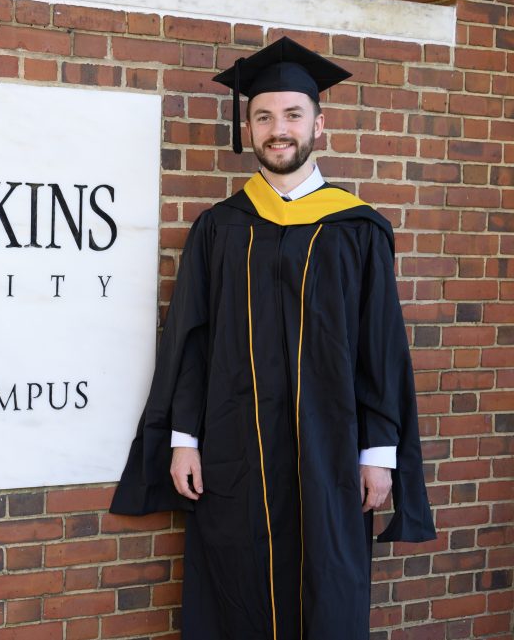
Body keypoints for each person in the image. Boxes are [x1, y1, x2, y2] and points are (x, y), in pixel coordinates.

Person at [110, 37, 435, 640]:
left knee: (329, 588)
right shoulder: (219, 228)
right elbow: (190, 339)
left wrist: (379, 454)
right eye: (264, 116)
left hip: (332, 448)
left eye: (291, 114)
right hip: (235, 448)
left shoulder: (358, 229)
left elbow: (381, 349)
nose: (277, 129)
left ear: (318, 122)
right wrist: (184, 440)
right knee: (237, 586)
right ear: (249, 126)